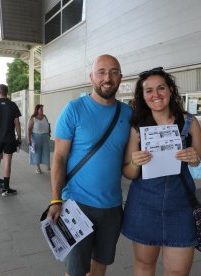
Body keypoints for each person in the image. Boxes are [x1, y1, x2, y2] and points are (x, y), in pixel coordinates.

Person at [47, 54, 132, 276]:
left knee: (100, 266)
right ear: (92, 77)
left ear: (120, 78)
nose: (108, 78)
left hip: (112, 207)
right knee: (75, 271)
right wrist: (56, 200)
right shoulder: (74, 109)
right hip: (76, 205)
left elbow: (128, 160)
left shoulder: (128, 113)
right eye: (102, 72)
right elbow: (59, 158)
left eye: (114, 72)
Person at [121, 67, 201, 276]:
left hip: (181, 208)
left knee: (178, 272)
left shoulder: (189, 122)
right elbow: (128, 173)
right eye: (148, 90)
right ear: (142, 96)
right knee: (144, 265)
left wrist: (195, 160)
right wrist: (135, 163)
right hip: (144, 206)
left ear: (170, 90)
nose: (156, 95)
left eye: (161, 88)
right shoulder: (137, 127)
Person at [0, 84, 21, 196]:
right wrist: (19, 137)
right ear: (7, 92)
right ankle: (6, 189)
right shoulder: (12, 105)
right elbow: (17, 123)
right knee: (8, 162)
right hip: (9, 138)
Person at [28, 104, 51, 174]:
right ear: (37, 110)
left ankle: (48, 166)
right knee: (37, 153)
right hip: (36, 137)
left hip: (45, 137)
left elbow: (48, 124)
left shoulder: (45, 117)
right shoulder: (33, 118)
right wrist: (29, 139)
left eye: (42, 109)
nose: (42, 110)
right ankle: (38, 168)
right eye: (41, 109)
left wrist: (49, 131)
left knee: (46, 152)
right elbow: (29, 129)